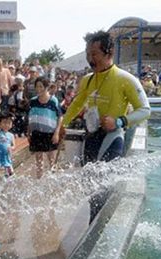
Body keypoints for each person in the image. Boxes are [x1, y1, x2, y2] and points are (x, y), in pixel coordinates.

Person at [60, 30, 151, 223]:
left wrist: (120, 121)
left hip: (112, 138)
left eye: (94, 54)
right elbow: (77, 103)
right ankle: (94, 226)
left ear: (108, 53)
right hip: (91, 137)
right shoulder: (88, 79)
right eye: (87, 53)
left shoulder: (125, 79)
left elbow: (144, 110)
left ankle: (100, 228)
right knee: (89, 187)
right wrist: (63, 124)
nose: (89, 58)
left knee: (103, 189)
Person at [28, 77, 63, 178]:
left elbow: (60, 117)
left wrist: (56, 133)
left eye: (41, 86)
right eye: (37, 87)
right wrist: (29, 131)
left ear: (47, 87)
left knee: (51, 158)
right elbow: (30, 117)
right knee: (39, 160)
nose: (38, 89)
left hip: (49, 133)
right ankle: (39, 179)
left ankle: (53, 179)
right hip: (36, 132)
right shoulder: (33, 101)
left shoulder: (53, 101)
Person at [0, 112, 15, 177]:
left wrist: (11, 148)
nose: (7, 125)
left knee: (10, 173)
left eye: (9, 123)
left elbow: (14, 146)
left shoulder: (11, 135)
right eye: (4, 122)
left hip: (7, 157)